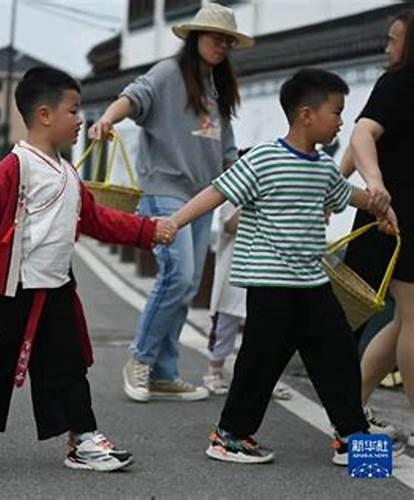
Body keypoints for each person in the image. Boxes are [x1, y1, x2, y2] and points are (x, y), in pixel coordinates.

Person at [0, 67, 173, 472]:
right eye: (74, 110)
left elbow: (96, 219)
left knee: (67, 365)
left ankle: (83, 439)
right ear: (45, 115)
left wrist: (147, 231)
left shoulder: (68, 173)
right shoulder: (15, 167)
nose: (81, 119)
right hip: (11, 290)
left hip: (55, 289)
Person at [160, 68, 398, 465]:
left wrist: (381, 208)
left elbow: (349, 195)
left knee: (338, 355)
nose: (341, 120)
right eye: (336, 112)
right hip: (271, 286)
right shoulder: (265, 159)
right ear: (307, 115)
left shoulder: (322, 167)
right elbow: (217, 191)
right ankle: (230, 436)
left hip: (312, 282)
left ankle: (351, 436)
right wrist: (174, 222)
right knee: (259, 362)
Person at [88, 2, 254, 402]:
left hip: (203, 200)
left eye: (227, 41)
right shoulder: (167, 73)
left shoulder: (217, 86)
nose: (221, 46)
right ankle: (140, 359)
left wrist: (249, 180)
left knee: (188, 282)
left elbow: (225, 147)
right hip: (164, 191)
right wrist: (108, 119)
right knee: (177, 277)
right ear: (196, 37)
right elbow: (132, 96)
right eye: (216, 37)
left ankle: (164, 371)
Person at [338, 9, 414, 446]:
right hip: (392, 215)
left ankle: (350, 413)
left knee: (404, 321)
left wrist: (339, 180)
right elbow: (363, 133)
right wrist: (368, 182)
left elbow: (362, 136)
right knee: (409, 320)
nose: (386, 48)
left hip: (389, 213)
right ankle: (350, 416)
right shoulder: (398, 82)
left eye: (392, 40)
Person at [204, 197, 292, 400]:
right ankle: (214, 369)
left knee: (267, 328)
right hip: (235, 268)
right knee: (226, 323)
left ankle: (266, 378)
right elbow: (229, 225)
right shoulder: (237, 197)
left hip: (269, 269)